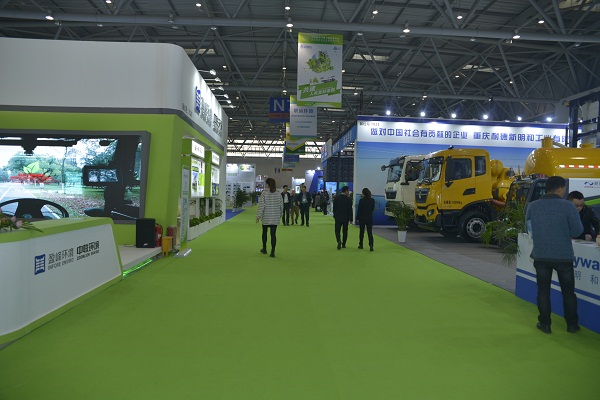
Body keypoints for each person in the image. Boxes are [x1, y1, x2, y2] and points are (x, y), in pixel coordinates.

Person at [525, 176, 583, 334]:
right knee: (568, 293)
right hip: (563, 256)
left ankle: (545, 324)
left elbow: (528, 229)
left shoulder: (533, 206)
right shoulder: (568, 206)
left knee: (543, 291)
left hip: (541, 255)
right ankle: (572, 325)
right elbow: (577, 230)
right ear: (560, 189)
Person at [256, 177, 283, 257]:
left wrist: (258, 216)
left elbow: (262, 205)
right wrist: (280, 215)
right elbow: (281, 205)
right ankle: (272, 252)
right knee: (273, 234)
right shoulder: (278, 193)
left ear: (267, 184)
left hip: (266, 217)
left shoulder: (264, 193)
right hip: (275, 217)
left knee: (264, 233)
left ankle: (264, 249)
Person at [333, 185, 353, 250]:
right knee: (345, 231)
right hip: (346, 217)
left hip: (338, 216)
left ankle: (338, 240)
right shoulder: (349, 199)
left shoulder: (337, 198)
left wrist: (335, 215)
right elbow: (350, 210)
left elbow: (334, 208)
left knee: (337, 230)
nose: (349, 192)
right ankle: (343, 244)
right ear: (346, 191)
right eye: (348, 190)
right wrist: (351, 218)